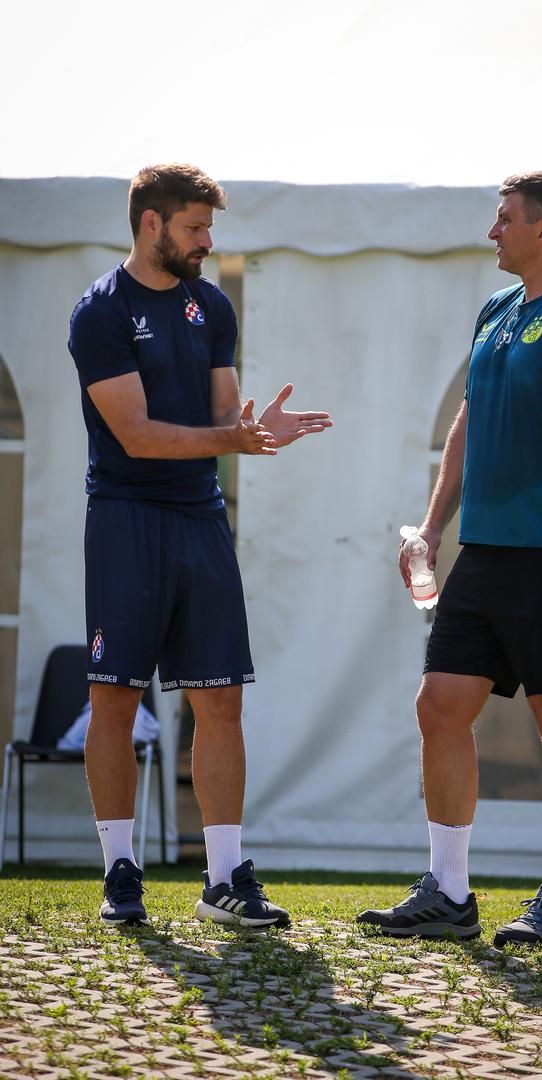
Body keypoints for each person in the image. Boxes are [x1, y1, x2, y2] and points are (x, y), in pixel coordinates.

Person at [357, 172, 542, 945]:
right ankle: (449, 893)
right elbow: (469, 421)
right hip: (483, 551)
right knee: (438, 704)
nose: (493, 232)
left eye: (505, 219)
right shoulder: (497, 311)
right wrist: (430, 526)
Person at [68, 164, 332, 927]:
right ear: (151, 223)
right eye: (195, 228)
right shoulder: (100, 314)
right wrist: (234, 438)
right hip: (125, 517)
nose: (207, 243)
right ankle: (121, 870)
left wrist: (251, 431)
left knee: (222, 699)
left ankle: (223, 878)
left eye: (210, 228)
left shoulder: (209, 304)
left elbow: (224, 414)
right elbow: (138, 435)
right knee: (114, 695)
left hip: (201, 519)